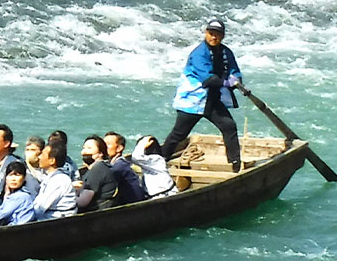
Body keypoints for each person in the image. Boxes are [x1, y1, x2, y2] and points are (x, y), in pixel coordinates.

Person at [160, 18, 243, 171]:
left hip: (212, 100)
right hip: (193, 102)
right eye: (211, 33)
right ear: (206, 33)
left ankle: (235, 164)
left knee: (229, 126)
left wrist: (236, 79)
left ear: (222, 36)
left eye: (217, 34)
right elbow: (208, 78)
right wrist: (226, 83)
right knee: (179, 134)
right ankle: (161, 159)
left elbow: (234, 70)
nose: (214, 37)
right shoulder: (198, 54)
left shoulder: (226, 52)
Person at [0, 161, 35, 226]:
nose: (13, 179)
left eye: (17, 175)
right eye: (10, 175)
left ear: (24, 178)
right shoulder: (13, 194)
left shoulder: (22, 196)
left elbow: (0, 214)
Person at [32, 140, 77, 220]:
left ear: (52, 160)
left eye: (42, 154)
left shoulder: (59, 180)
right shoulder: (49, 177)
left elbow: (40, 208)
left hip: (56, 222)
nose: (39, 157)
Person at [76, 134, 119, 211]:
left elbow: (82, 202)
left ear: (100, 153)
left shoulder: (98, 170)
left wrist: (65, 199)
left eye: (89, 148)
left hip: (98, 214)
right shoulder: (102, 166)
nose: (84, 151)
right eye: (84, 148)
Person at [104, 131, 148, 205]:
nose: (103, 147)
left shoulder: (119, 166)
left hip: (134, 205)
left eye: (108, 144)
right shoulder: (118, 163)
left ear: (119, 148)